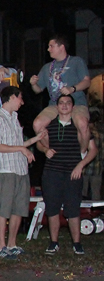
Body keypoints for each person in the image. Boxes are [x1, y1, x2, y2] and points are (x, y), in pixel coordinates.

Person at [0, 86, 46, 258]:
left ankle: (12, 244)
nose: (22, 102)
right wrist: (21, 149)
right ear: (12, 97)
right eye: (20, 98)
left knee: (18, 209)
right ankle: (2, 246)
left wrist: (36, 139)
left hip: (21, 169)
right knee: (4, 208)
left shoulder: (15, 119)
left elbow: (19, 145)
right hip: (6, 170)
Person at [36, 94, 98, 255]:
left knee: (73, 209)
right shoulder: (49, 126)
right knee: (53, 208)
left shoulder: (79, 128)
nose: (64, 106)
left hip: (73, 172)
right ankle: (53, 242)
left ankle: (77, 243)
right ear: (56, 107)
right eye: (61, 103)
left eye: (68, 103)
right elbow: (38, 143)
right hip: (52, 172)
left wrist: (80, 165)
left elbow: (93, 150)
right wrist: (45, 149)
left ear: (73, 107)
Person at [30, 35, 91, 153]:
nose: (48, 49)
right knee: (37, 124)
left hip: (76, 103)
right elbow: (38, 90)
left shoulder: (76, 61)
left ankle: (82, 153)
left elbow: (87, 81)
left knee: (82, 123)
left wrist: (72, 89)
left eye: (51, 46)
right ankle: (52, 151)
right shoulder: (47, 67)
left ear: (61, 47)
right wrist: (33, 84)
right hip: (55, 104)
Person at [82, 109, 103, 200]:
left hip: (83, 168)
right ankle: (96, 213)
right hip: (97, 168)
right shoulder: (101, 135)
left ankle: (81, 212)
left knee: (81, 193)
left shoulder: (83, 134)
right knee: (96, 193)